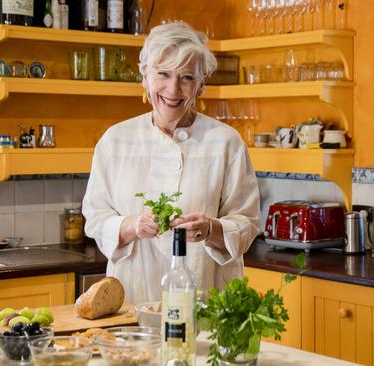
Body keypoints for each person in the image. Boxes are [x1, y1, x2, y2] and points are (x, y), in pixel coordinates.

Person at [82, 22, 261, 305]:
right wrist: (130, 225)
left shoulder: (226, 142)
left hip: (206, 295)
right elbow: (95, 216)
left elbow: (247, 222)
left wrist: (211, 229)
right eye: (163, 74)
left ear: (201, 85)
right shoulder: (115, 141)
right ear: (145, 77)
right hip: (134, 295)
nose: (173, 89)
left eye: (187, 77)